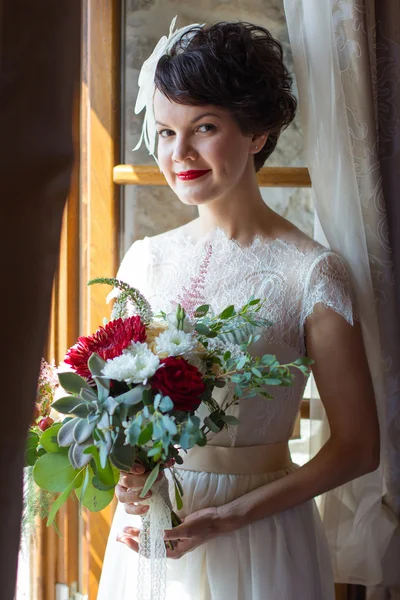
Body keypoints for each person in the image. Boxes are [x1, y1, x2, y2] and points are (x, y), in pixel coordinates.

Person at [97, 19, 379, 600]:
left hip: (260, 538)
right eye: (167, 131)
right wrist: (126, 481)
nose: (180, 154)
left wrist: (229, 517)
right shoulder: (143, 261)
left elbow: (358, 446)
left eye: (204, 128)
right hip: (150, 538)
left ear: (257, 132)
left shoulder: (310, 272)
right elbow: (115, 416)